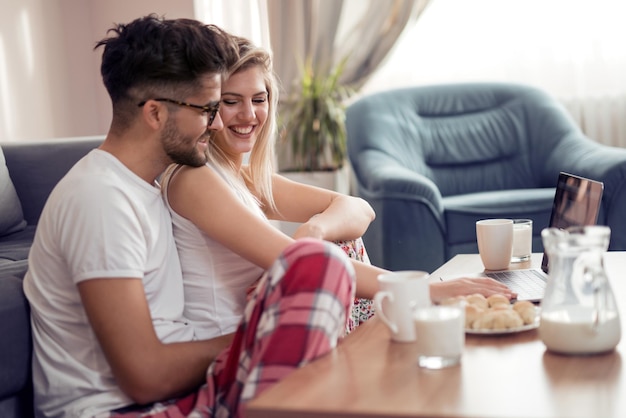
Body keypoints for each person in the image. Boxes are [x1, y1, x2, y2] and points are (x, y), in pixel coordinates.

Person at [23, 15, 356, 418]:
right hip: (126, 410)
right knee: (316, 267)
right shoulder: (99, 201)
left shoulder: (143, 186)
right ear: (155, 114)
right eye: (208, 109)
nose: (217, 123)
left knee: (317, 267)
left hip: (183, 393)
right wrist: (260, 331)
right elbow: (144, 376)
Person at [161, 36, 517, 341]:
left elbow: (358, 209)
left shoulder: (238, 174)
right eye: (230, 101)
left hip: (266, 324)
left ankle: (376, 345)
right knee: (329, 254)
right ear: (208, 106)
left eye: (258, 99)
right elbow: (300, 264)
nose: (249, 115)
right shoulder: (197, 177)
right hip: (238, 344)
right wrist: (428, 289)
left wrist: (313, 230)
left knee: (332, 235)